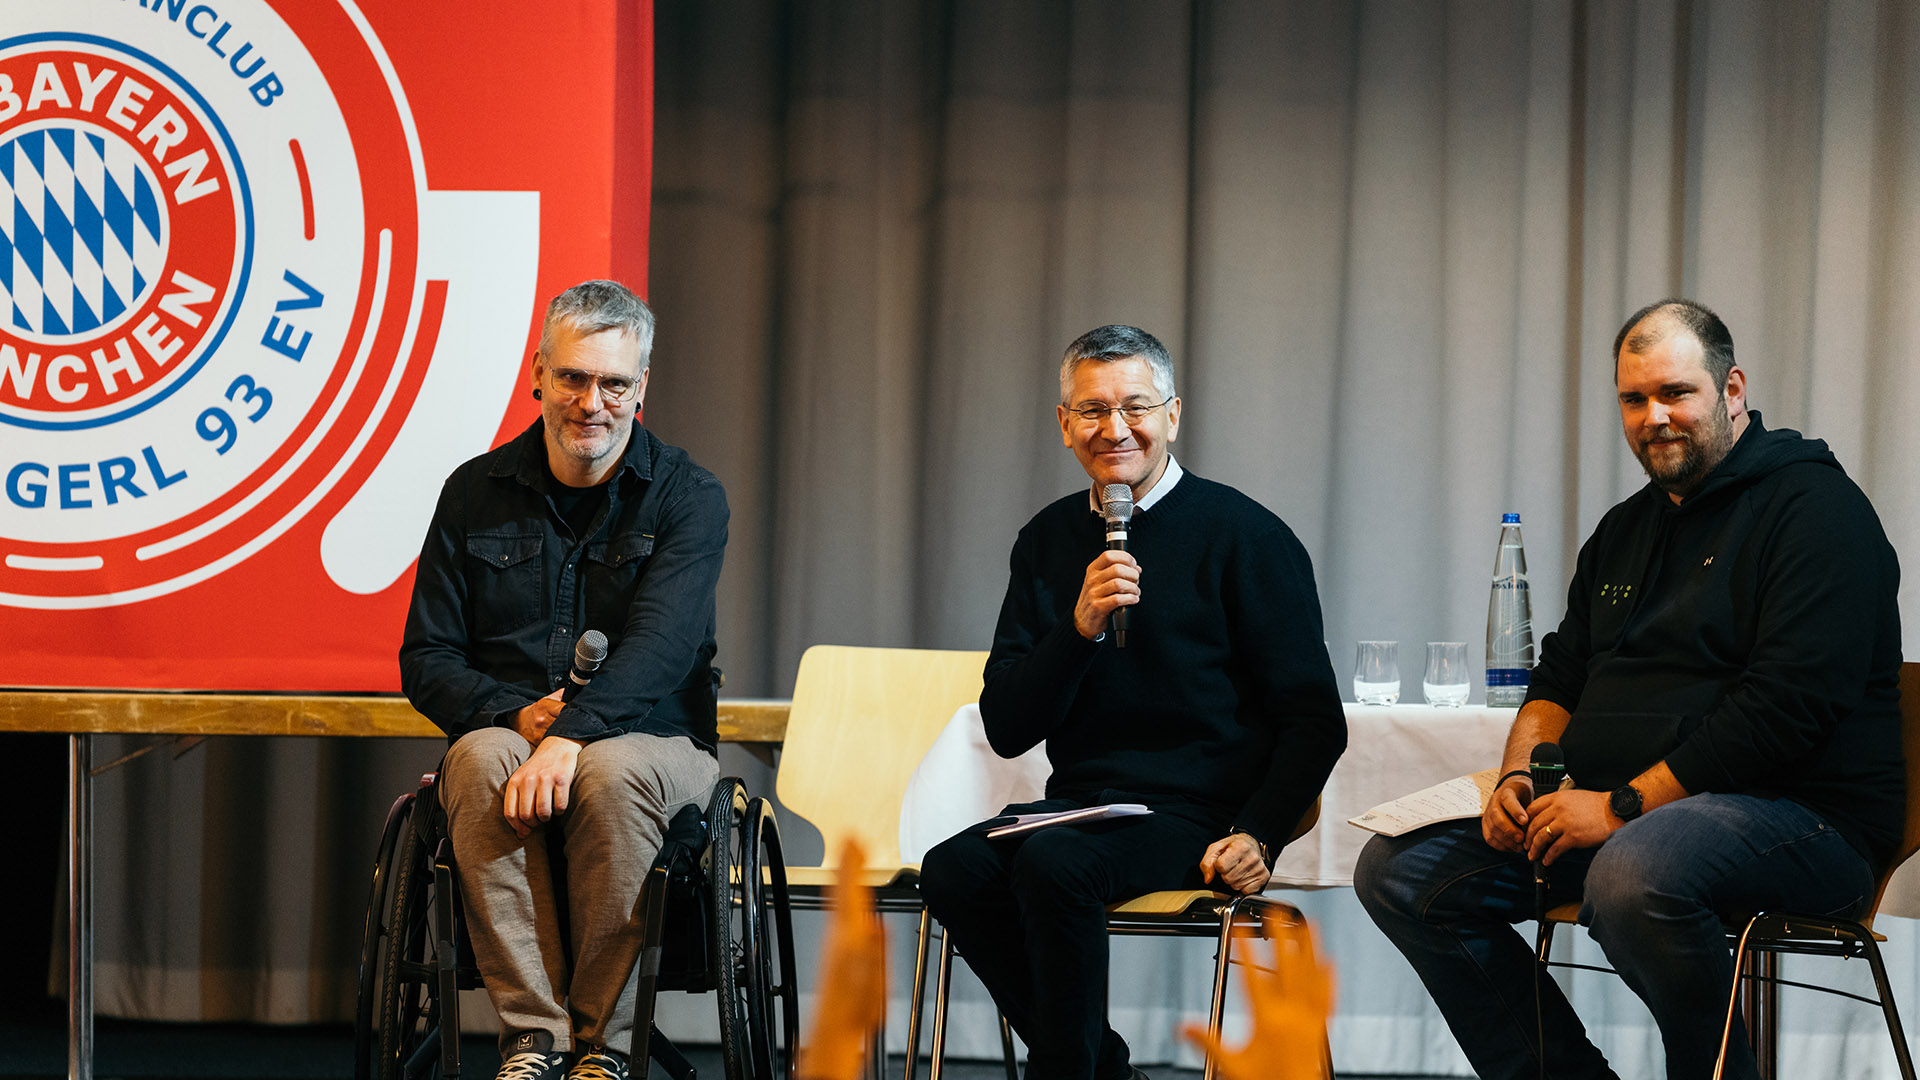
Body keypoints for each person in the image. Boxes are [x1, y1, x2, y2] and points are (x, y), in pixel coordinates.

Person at [1355, 298, 1904, 1080]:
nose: (1655, 417)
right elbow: (1557, 678)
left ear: (1733, 388)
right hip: (1629, 817)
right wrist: (1521, 772)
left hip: (1808, 824)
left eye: (1676, 393)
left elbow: (1784, 711)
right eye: (1634, 399)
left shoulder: (1818, 513)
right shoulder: (1625, 529)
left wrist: (1618, 808)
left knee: (1635, 873)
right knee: (1400, 873)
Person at [918, 324, 1347, 1080]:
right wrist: (1077, 628)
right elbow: (1008, 726)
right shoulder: (1047, 539)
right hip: (1083, 808)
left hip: (1198, 810)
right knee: (951, 870)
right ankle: (1102, 1071)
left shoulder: (1245, 534)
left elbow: (1315, 721)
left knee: (1056, 867)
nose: (1115, 429)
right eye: (1091, 410)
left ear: (1173, 416)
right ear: (1063, 425)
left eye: (1136, 407)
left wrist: (1262, 833)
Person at [399, 280, 729, 1080]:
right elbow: (427, 658)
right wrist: (514, 719)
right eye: (574, 378)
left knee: (610, 774)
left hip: (657, 740)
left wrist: (574, 735)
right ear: (538, 374)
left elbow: (662, 649)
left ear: (641, 389)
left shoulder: (689, 496)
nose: (592, 402)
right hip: (514, 735)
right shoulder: (472, 493)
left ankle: (605, 1051)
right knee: (475, 759)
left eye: (615, 383)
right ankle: (534, 1039)